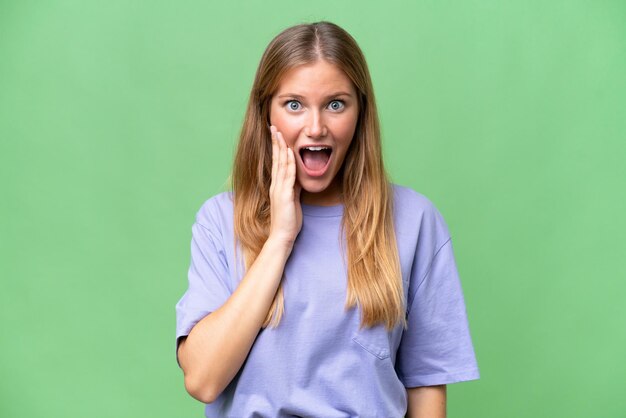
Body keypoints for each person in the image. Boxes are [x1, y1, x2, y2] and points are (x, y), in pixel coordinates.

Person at [175, 21, 479, 417]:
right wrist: (281, 238)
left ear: (360, 112)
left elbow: (425, 392)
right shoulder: (220, 220)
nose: (315, 127)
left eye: (336, 104)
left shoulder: (415, 221)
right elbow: (202, 379)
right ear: (266, 112)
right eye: (294, 104)